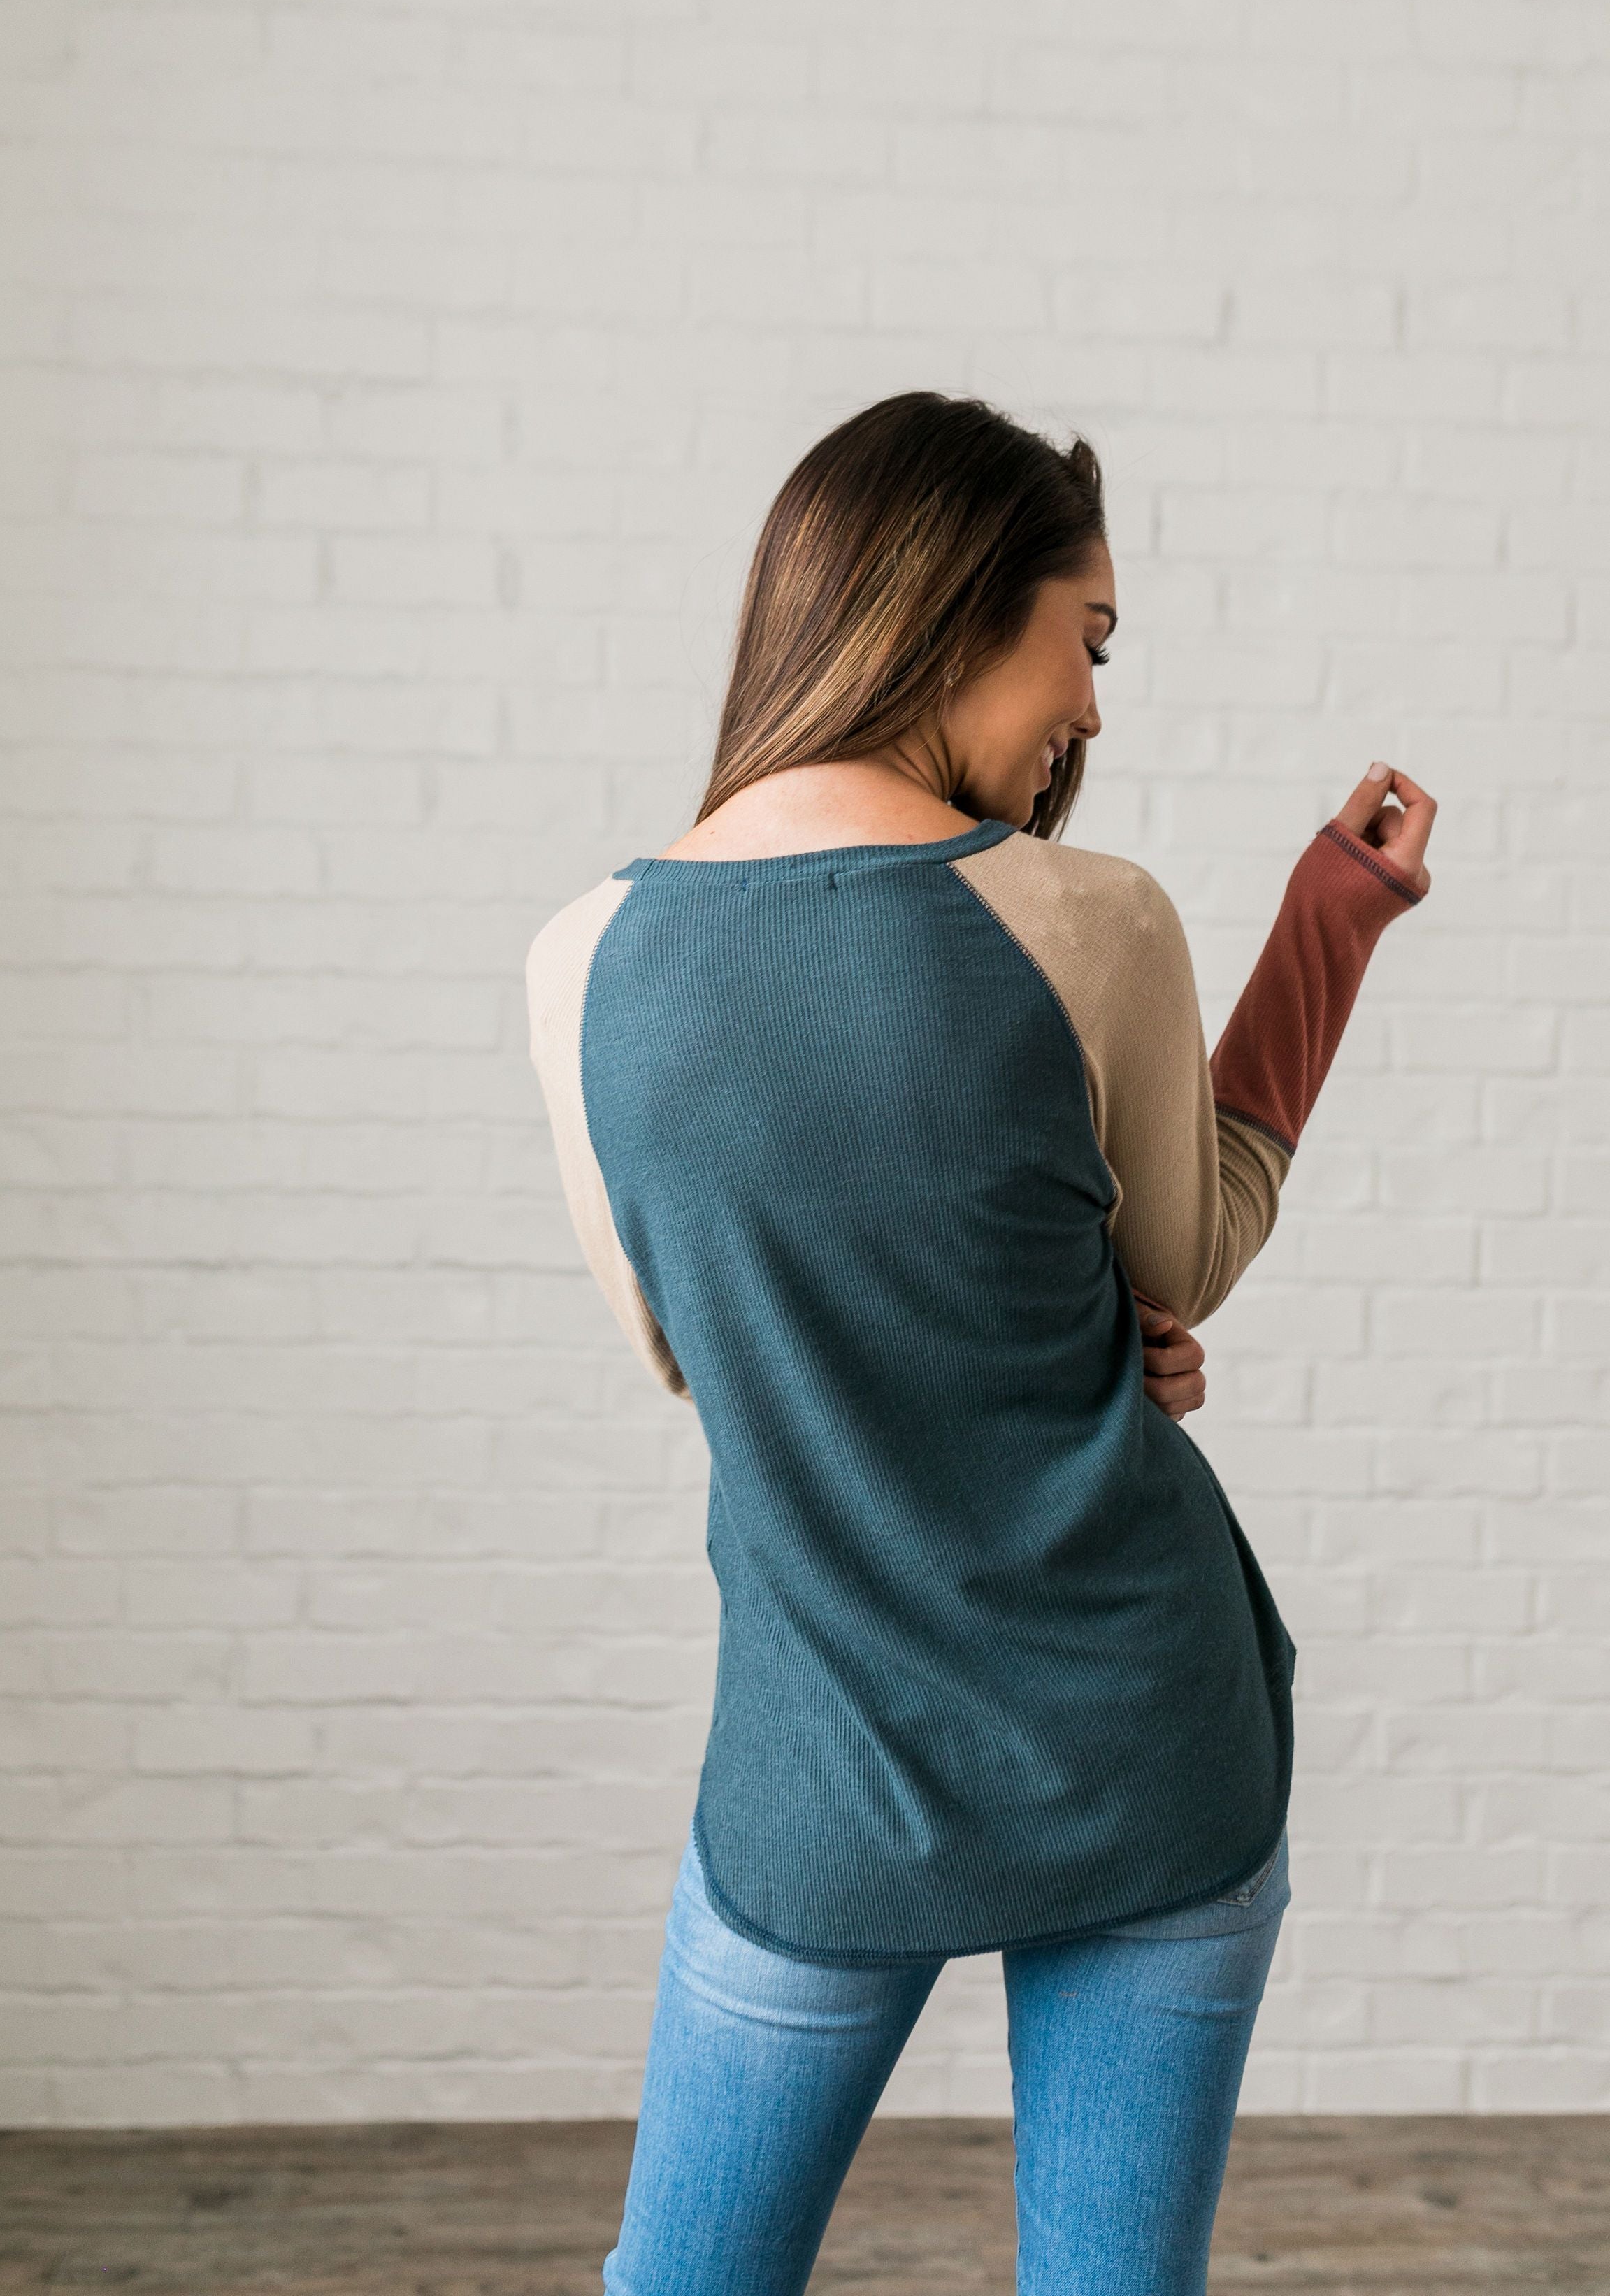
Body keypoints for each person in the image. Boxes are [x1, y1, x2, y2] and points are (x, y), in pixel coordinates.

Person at [526, 392, 1435, 2296]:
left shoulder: (582, 957)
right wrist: (1332, 920)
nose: (1094, 708)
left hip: (822, 1766)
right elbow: (1197, 1243)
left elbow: (693, 1353)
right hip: (1142, 1744)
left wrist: (1014, 1301)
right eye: (1085, 640)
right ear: (954, 605)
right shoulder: (1085, 921)